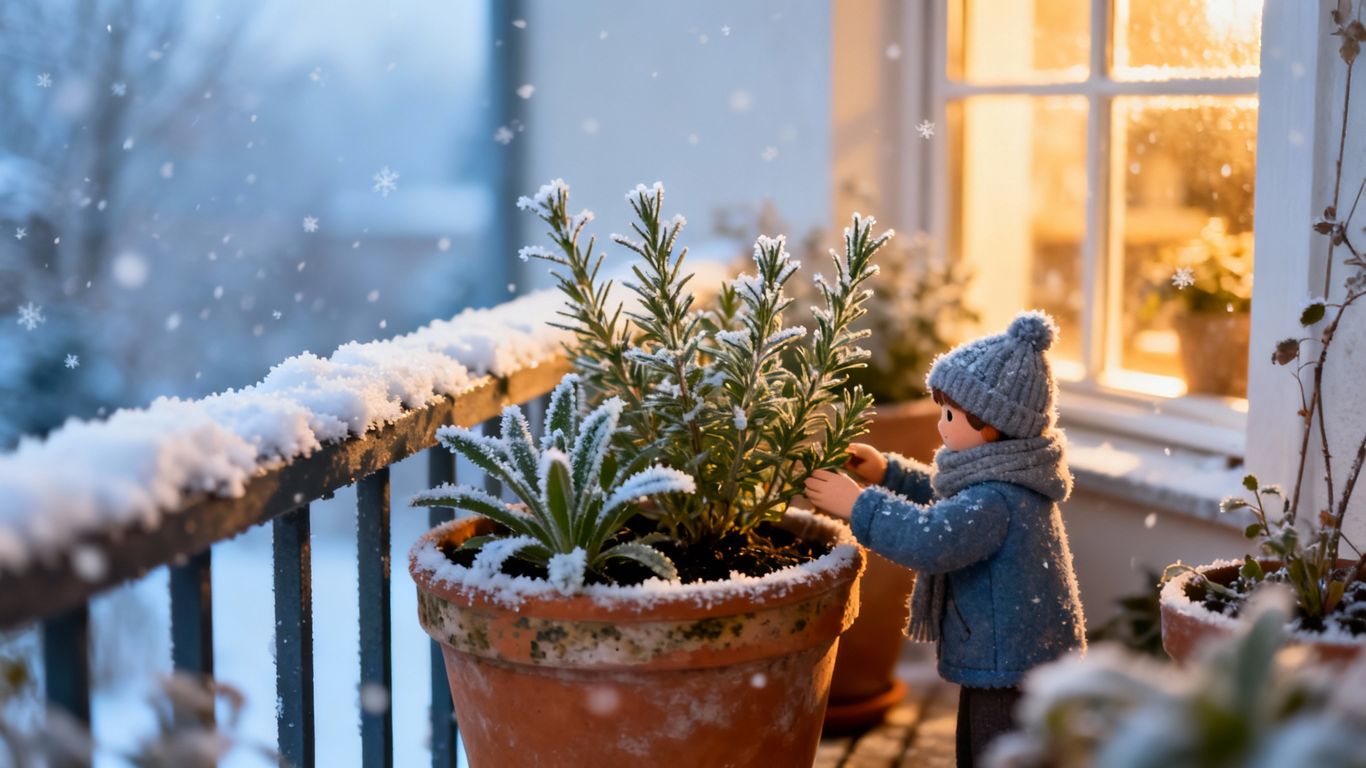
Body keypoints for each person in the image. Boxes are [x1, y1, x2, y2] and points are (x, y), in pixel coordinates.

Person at [805, 310, 1085, 768]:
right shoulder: (1002, 475)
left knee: (993, 750)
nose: (940, 424)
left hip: (1009, 661)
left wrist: (859, 505)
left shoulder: (997, 499)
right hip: (1010, 651)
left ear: (992, 426)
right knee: (981, 743)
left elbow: (932, 538)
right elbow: (945, 496)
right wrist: (887, 473)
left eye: (950, 414)